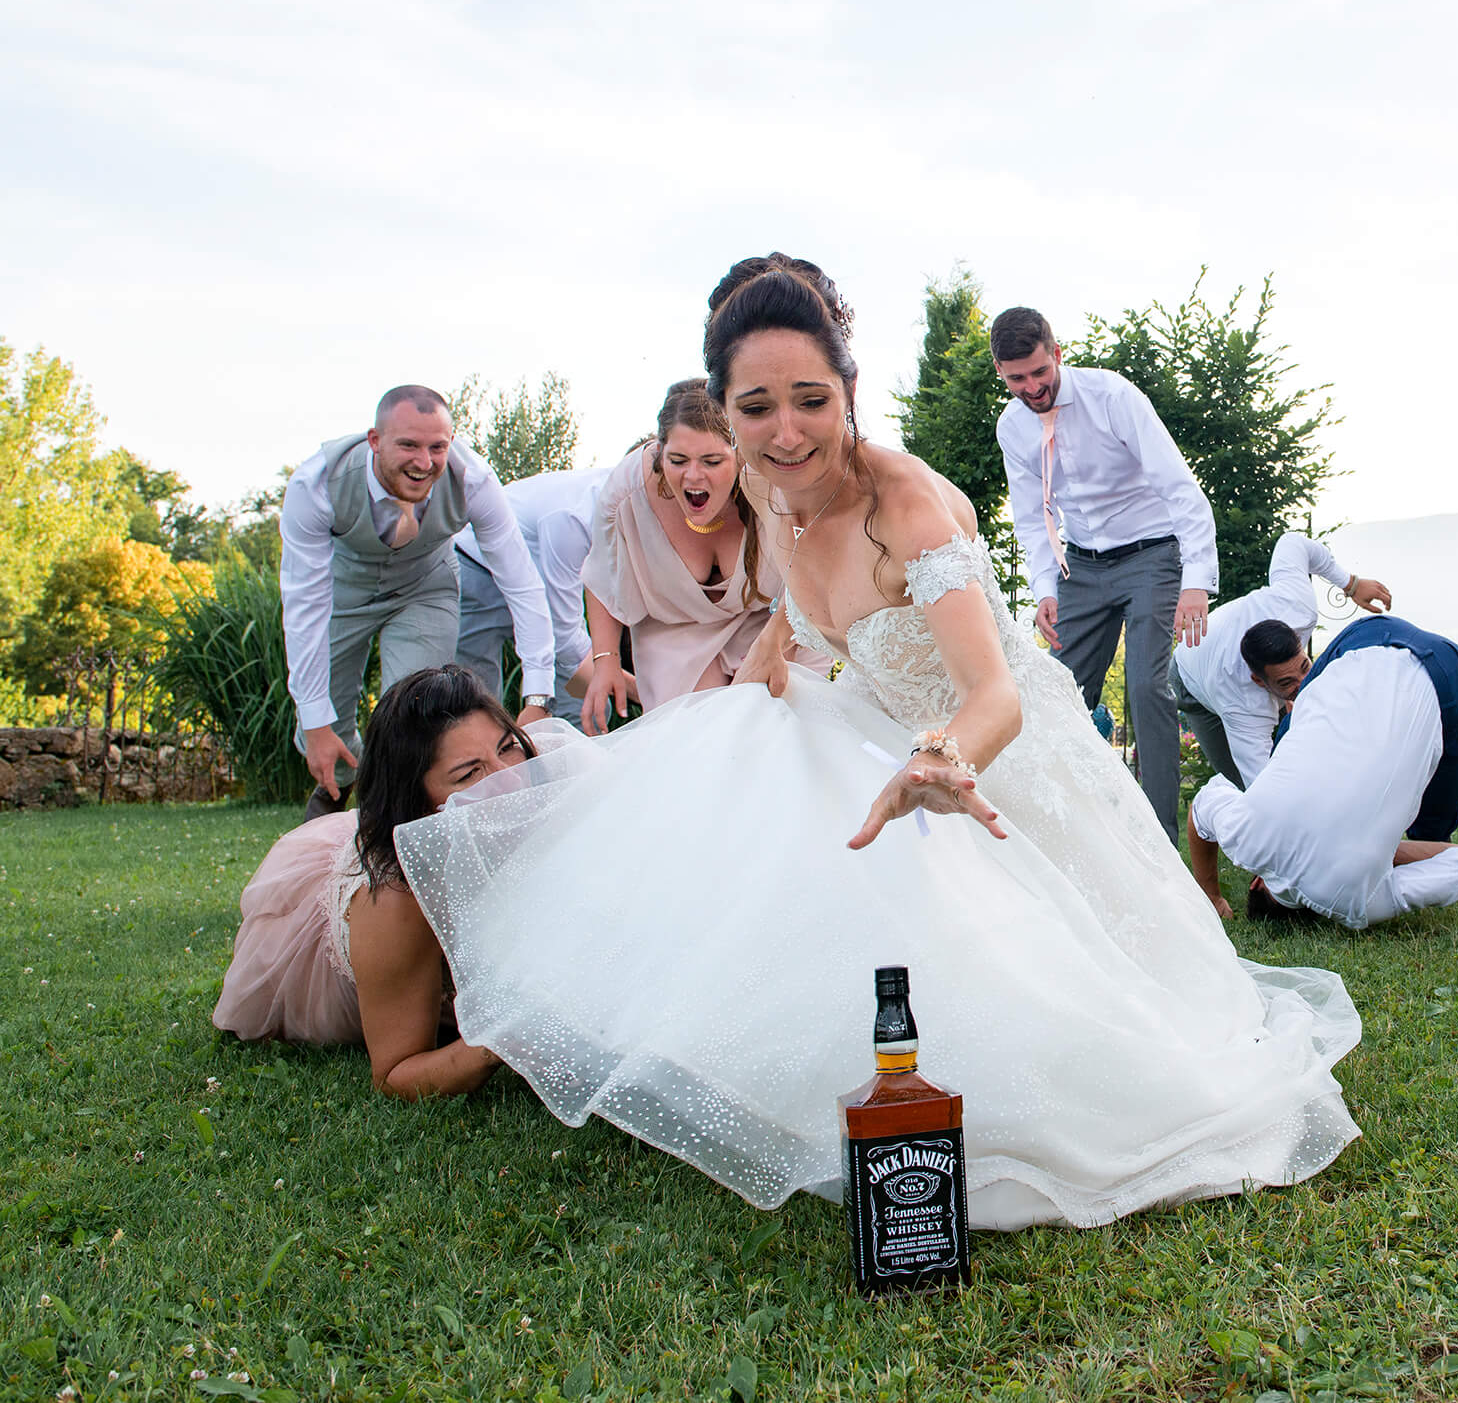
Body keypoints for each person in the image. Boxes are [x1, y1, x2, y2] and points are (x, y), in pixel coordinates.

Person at [393, 257, 1360, 1232]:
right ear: (724, 417)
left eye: (810, 400)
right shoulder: (772, 492)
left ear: (848, 392)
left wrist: (942, 756)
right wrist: (752, 688)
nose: (786, 431)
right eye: (756, 408)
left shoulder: (903, 506)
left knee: (1080, 989)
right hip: (889, 737)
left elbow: (991, 694)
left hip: (995, 749)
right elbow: (798, 614)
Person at [213, 666, 546, 1099]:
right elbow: (395, 1074)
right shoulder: (394, 899)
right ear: (423, 806)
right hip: (338, 966)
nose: (508, 779)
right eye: (468, 774)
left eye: (507, 748)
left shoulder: (542, 785)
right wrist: (496, 1036)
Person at [993, 307, 1218, 842]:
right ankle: (1062, 833)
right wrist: (1045, 589)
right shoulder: (1012, 426)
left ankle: (1161, 841)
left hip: (1152, 556)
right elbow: (1031, 515)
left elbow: (1180, 487)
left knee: (1145, 687)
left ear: (1057, 355)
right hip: (1081, 567)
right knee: (1058, 695)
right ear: (1002, 374)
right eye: (1016, 378)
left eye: (1038, 373)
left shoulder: (1113, 397)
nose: (1031, 387)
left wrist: (1195, 582)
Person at [279, 387, 557, 819]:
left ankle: (401, 824)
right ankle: (343, 782)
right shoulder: (316, 485)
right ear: (374, 440)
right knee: (325, 723)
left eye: (437, 447)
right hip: (342, 593)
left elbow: (521, 583)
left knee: (413, 718)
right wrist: (314, 722)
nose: (424, 462)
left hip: (426, 588)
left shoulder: (473, 480)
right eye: (408, 445)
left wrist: (538, 694)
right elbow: (304, 606)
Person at [1187, 613, 1458, 928]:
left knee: (1435, 823)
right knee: (1293, 731)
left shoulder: (1360, 902)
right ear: (1256, 883)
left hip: (1448, 673)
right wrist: (1210, 894)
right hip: (1364, 638)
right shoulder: (1245, 835)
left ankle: (1427, 835)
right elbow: (1201, 808)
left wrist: (1384, 852)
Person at [578, 379, 818, 730]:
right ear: (660, 452)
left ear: (739, 454)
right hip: (674, 635)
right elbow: (601, 576)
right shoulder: (625, 496)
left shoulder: (773, 480)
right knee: (694, 742)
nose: (693, 475)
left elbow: (815, 572)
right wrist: (606, 661)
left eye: (711, 461)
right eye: (678, 460)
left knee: (779, 734)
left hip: (777, 620)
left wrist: (776, 643)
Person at [1172, 531, 1390, 789]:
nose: (1304, 683)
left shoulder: (1297, 606)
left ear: (1299, 641)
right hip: (1191, 676)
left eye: (1305, 667)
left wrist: (1351, 584)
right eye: (1287, 682)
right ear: (1259, 681)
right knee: (1239, 788)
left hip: (1224, 645)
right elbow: (1264, 790)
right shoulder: (1243, 706)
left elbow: (1293, 542)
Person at [454, 465, 603, 730]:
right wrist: (626, 683)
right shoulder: (574, 515)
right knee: (476, 701)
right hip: (478, 571)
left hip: (544, 600)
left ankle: (574, 761)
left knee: (590, 700)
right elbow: (565, 637)